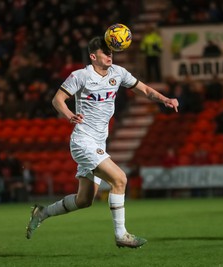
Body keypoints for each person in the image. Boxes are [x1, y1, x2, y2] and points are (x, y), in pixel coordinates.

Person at [25, 36, 179, 248]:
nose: (110, 56)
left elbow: (144, 89)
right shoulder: (81, 76)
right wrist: (70, 115)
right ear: (93, 56)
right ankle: (121, 235)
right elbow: (57, 99)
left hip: (98, 142)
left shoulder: (118, 72)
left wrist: (166, 100)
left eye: (111, 53)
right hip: (83, 141)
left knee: (84, 200)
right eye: (105, 53)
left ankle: (42, 213)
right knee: (120, 179)